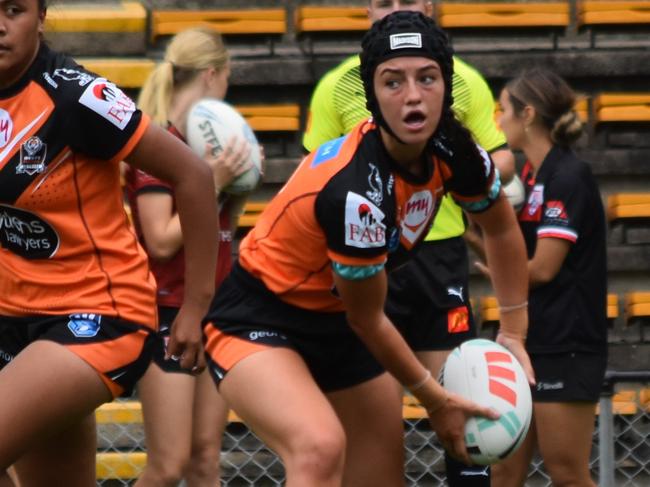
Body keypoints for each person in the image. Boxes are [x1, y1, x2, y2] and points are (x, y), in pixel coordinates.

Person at [202, 11, 532, 486]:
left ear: (447, 84)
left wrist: (516, 333)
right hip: (258, 318)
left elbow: (500, 230)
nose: (413, 95)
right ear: (372, 96)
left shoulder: (458, 151)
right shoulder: (356, 190)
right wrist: (433, 400)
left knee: (379, 474)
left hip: (338, 323)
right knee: (319, 447)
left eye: (427, 77)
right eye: (393, 82)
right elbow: (368, 318)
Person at [0, 1, 219, 486]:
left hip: (97, 314)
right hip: (13, 320)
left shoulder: (77, 95)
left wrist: (195, 307)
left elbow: (194, 176)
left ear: (40, 16)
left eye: (13, 9)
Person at [302, 0, 516, 483]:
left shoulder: (461, 79)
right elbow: (319, 177)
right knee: (376, 430)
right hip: (364, 262)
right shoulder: (338, 86)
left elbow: (499, 162)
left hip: (439, 256)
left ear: (432, 6)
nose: (412, 95)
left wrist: (467, 166)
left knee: (464, 400)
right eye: (383, 1)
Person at [123, 27, 253, 487]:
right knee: (169, 464)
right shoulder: (160, 145)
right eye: (228, 76)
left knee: (205, 459)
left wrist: (233, 196)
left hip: (215, 311)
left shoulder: (208, 147)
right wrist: (212, 182)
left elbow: (217, 235)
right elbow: (159, 239)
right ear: (214, 74)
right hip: (168, 315)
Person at [478, 68, 608, 487]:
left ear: (528, 114)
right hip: (529, 340)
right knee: (503, 469)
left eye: (504, 110)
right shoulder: (533, 177)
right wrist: (469, 225)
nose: (499, 121)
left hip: (566, 344)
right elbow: (512, 257)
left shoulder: (569, 176)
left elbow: (540, 270)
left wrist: (502, 274)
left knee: (566, 472)